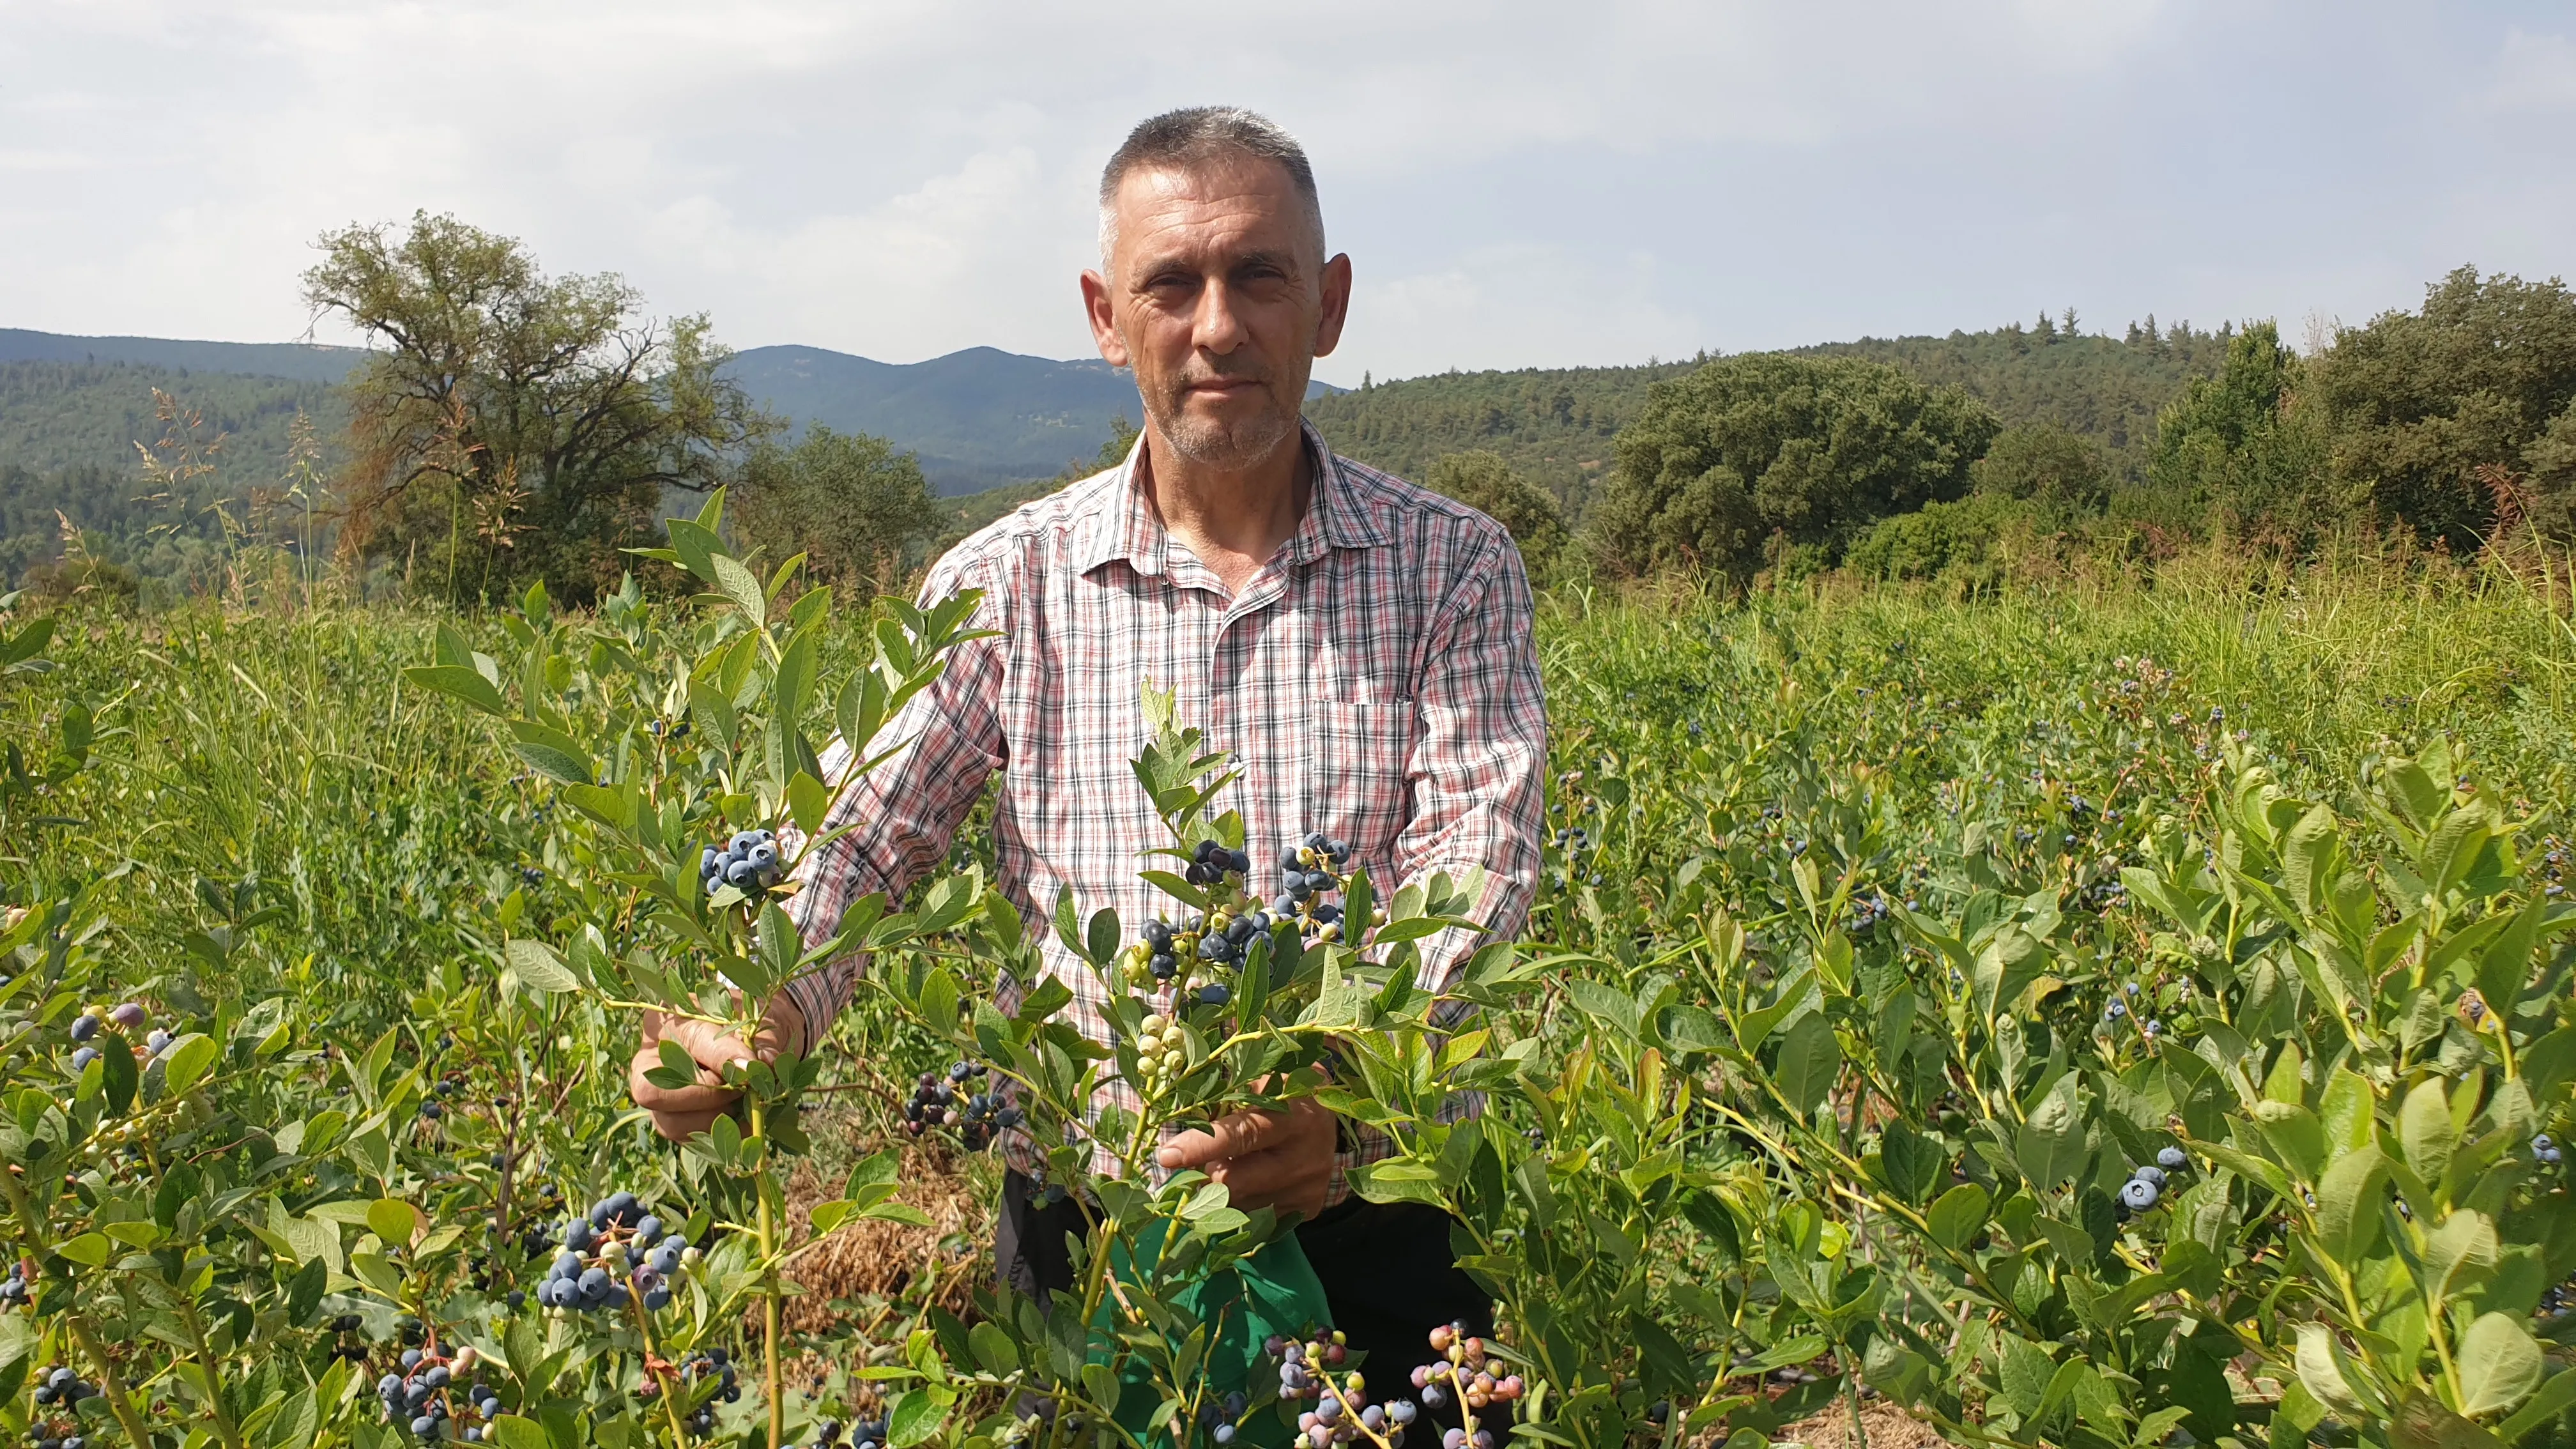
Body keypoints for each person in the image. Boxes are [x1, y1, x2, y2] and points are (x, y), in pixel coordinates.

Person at [627, 105, 1545, 1391]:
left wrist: (1350, 1101)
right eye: (1170, 283)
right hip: (1091, 1235)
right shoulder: (1008, 581)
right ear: (1107, 318)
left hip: (1377, 1213)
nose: (1217, 324)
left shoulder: (1453, 565)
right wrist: (758, 1021)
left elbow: (1477, 860)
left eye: (1259, 276)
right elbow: (868, 836)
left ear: (1328, 306)